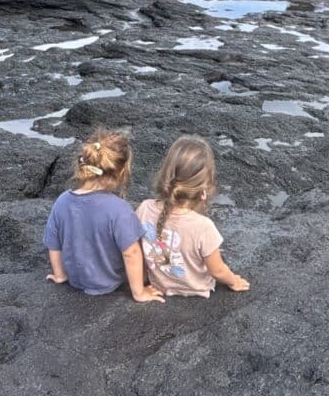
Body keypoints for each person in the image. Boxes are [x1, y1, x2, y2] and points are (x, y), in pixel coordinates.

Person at [43, 129, 164, 303]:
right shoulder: (119, 209)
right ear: (121, 172)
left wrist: (60, 275)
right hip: (112, 280)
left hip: (76, 280)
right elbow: (132, 254)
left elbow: (53, 243)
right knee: (143, 237)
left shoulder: (62, 201)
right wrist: (139, 292)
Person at [135, 136, 249, 297]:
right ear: (204, 188)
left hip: (158, 284)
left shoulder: (144, 208)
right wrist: (233, 281)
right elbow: (217, 270)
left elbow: (136, 250)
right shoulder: (204, 226)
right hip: (196, 288)